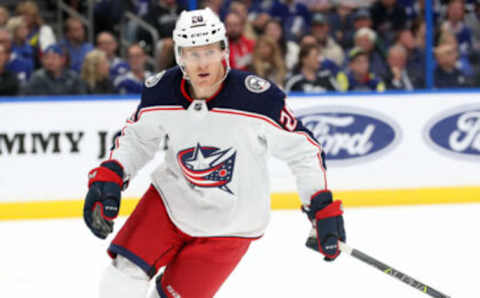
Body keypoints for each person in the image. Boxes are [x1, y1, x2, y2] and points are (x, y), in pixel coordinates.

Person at [83, 7, 346, 298]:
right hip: (171, 201)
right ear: (180, 56)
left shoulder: (258, 100)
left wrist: (320, 206)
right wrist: (113, 172)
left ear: (224, 50)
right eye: (193, 54)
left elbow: (303, 151)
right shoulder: (161, 92)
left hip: (232, 224)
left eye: (209, 51)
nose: (202, 63)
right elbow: (138, 139)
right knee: (120, 278)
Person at [23, 44, 87, 95]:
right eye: (46, 58)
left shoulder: (73, 78)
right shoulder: (37, 78)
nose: (49, 61)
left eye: (54, 58)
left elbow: (81, 99)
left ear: (63, 60)